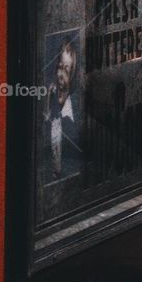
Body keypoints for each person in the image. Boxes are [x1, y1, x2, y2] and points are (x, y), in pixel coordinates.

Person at [44, 36, 82, 181]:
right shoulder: (44, 111)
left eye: (66, 68)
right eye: (59, 66)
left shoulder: (77, 117)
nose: (61, 74)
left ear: (72, 74)